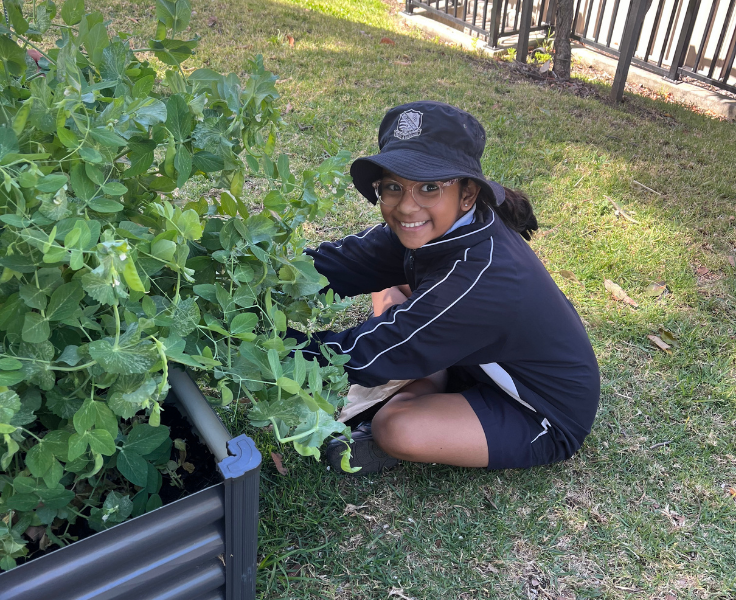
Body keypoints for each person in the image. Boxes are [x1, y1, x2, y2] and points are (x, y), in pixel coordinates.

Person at [300, 101, 600, 474]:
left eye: (429, 187)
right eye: (393, 186)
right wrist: (253, 274)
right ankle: (431, 373)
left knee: (394, 427)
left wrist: (278, 351)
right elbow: (338, 264)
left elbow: (367, 356)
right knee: (392, 287)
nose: (407, 206)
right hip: (471, 356)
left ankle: (424, 409)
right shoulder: (439, 227)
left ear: (468, 193)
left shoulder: (481, 278)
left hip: (536, 409)